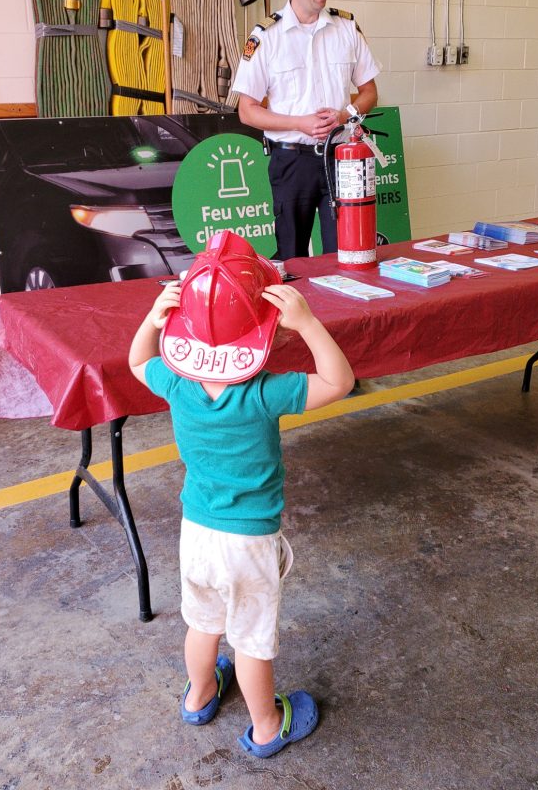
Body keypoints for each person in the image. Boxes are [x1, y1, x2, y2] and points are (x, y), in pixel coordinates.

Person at [128, 229, 354, 758]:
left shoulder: (174, 381)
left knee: (202, 623)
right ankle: (266, 726)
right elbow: (338, 381)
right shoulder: (264, 391)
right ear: (264, 332)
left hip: (196, 533)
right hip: (248, 542)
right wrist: (309, 322)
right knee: (250, 642)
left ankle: (200, 695)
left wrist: (151, 319)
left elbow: (137, 362)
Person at [232, 0, 381, 260]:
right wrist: (299, 123)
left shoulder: (346, 28)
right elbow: (247, 111)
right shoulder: (266, 37)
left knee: (347, 252)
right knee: (291, 257)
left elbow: (370, 93)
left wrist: (346, 114)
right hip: (292, 162)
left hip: (341, 159)